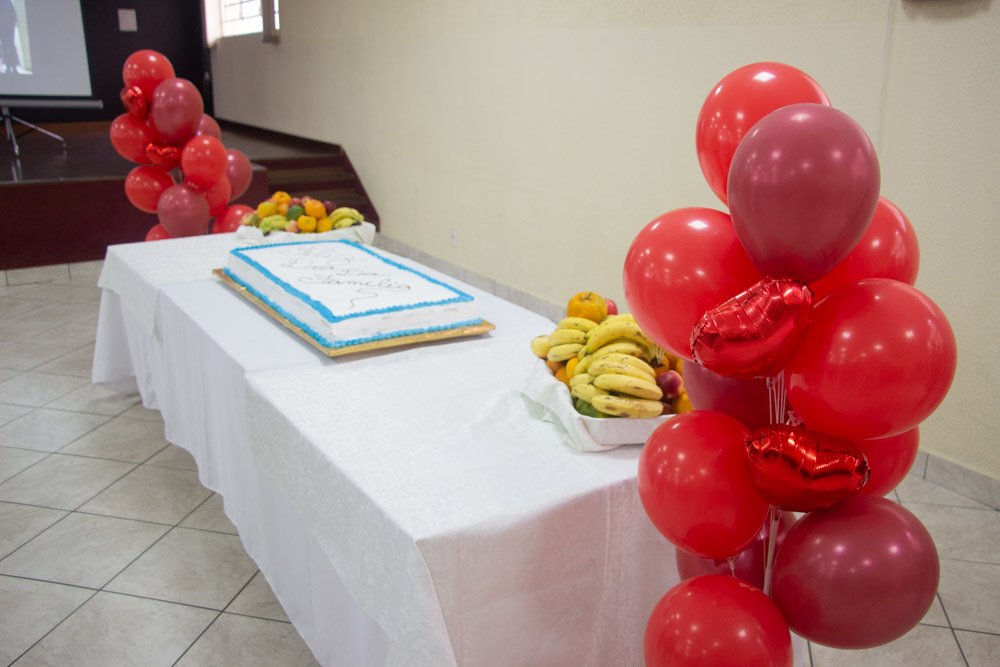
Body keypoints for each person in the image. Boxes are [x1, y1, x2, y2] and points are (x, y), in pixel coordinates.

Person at [0, 0, 20, 74]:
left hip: (9, 26)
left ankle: (14, 66)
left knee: (11, 46)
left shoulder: (7, 1)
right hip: (1, 28)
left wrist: (14, 21)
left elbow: (12, 11)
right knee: (4, 46)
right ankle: (8, 66)